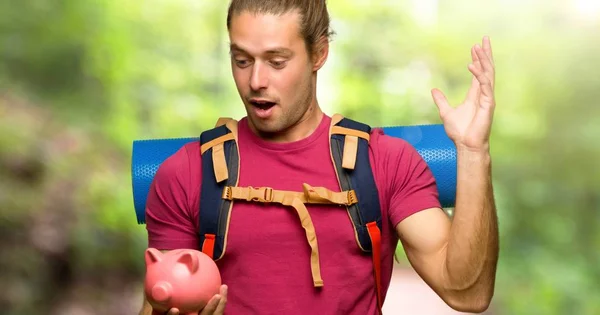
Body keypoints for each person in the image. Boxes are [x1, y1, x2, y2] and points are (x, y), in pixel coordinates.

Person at [139, 0, 499, 314]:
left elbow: (468, 293)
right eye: (242, 60)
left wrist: (473, 152)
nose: (256, 80)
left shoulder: (383, 161)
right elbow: (155, 304)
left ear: (319, 54)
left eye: (277, 61)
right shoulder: (187, 172)